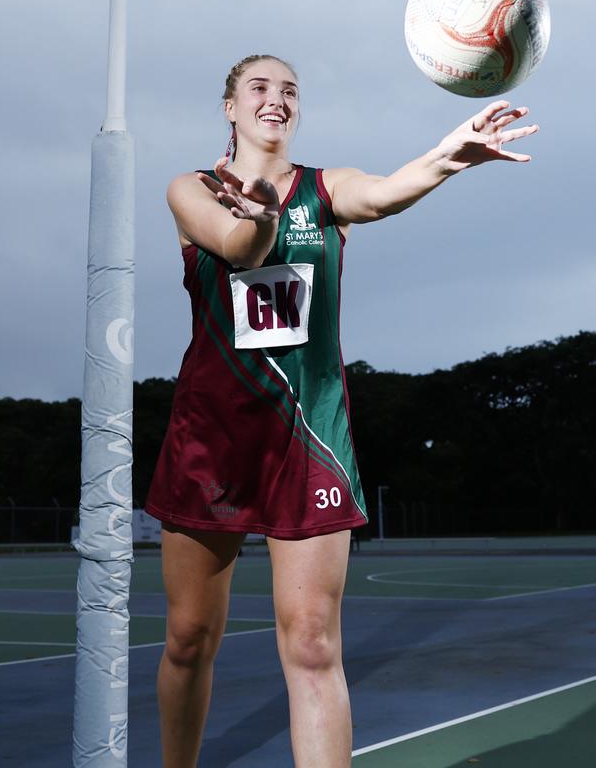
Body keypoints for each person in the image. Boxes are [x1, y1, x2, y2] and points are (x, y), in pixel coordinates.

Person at [145, 54, 538, 767]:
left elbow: (386, 193)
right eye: (259, 87)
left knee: (313, 641)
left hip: (309, 440)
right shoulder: (191, 190)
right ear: (229, 107)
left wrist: (449, 156)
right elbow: (239, 244)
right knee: (189, 638)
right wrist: (259, 218)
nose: (277, 98)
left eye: (290, 90)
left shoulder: (328, 190)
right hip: (211, 441)